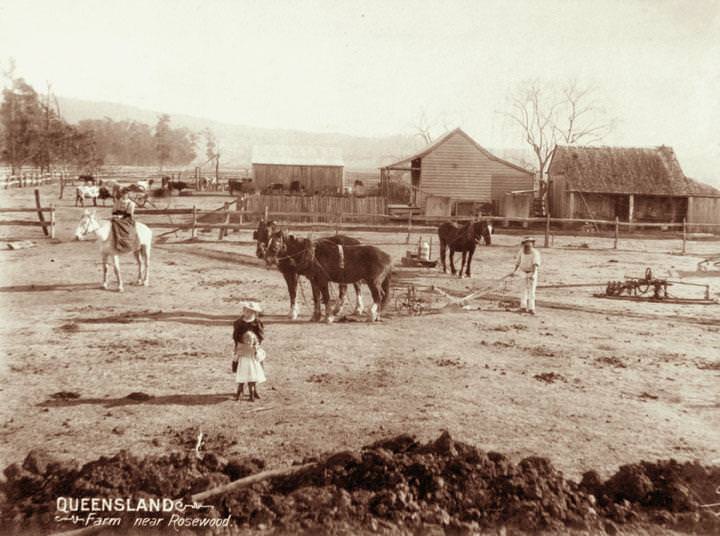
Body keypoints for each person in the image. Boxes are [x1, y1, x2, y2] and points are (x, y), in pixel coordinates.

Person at [232, 302, 266, 401]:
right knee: (241, 367)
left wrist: (254, 340)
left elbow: (261, 335)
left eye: (251, 312)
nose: (248, 313)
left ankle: (253, 388)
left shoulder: (257, 323)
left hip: (253, 348)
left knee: (254, 367)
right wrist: (242, 339)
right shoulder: (239, 323)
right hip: (242, 347)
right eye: (246, 311)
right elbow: (235, 335)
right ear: (243, 311)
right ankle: (240, 388)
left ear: (255, 313)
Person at [511, 237, 541, 315]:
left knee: (532, 291)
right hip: (522, 272)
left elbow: (535, 264)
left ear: (532, 243)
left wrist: (533, 274)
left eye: (529, 242)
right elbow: (518, 262)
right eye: (526, 243)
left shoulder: (535, 253)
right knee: (523, 290)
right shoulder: (521, 252)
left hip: (532, 272)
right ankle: (523, 307)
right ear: (523, 244)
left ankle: (531, 308)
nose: (527, 244)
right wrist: (514, 271)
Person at [110, 187, 139, 253]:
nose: (124, 195)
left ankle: (121, 242)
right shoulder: (118, 202)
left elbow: (129, 213)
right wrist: (115, 215)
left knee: (116, 224)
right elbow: (114, 210)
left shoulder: (131, 203)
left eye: (125, 194)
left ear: (128, 195)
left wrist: (120, 216)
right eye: (123, 194)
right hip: (117, 217)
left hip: (127, 218)